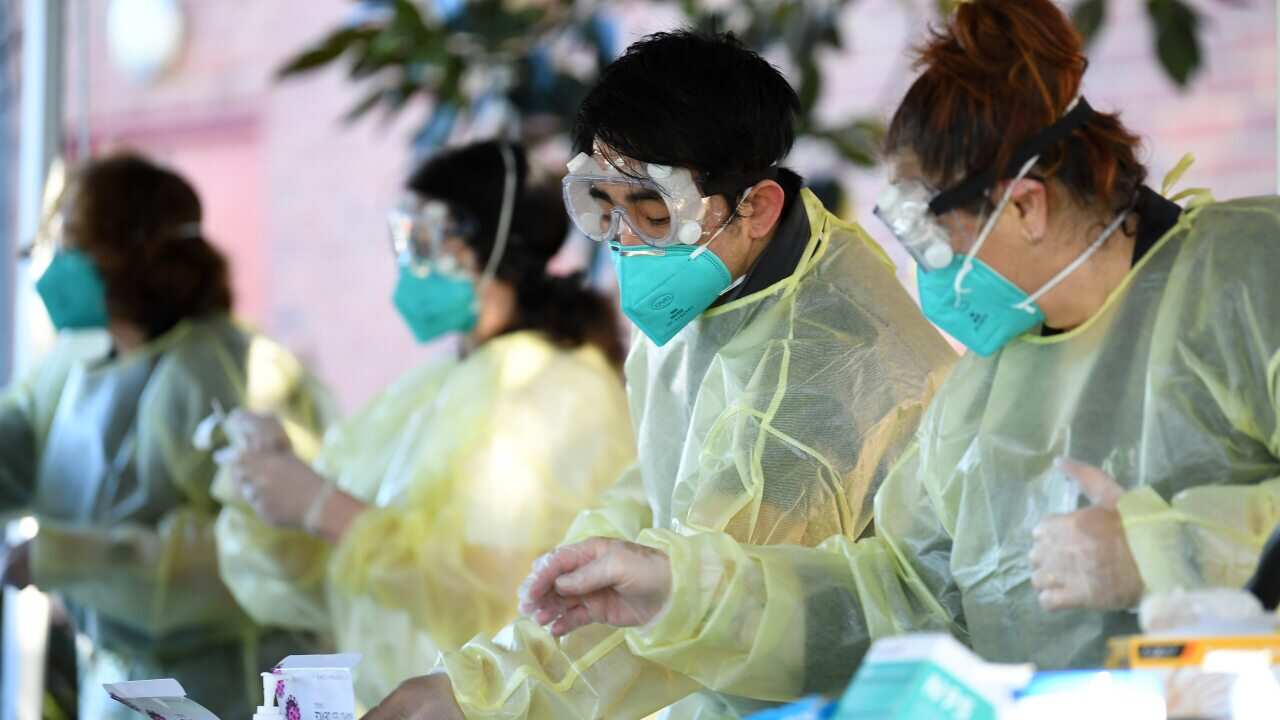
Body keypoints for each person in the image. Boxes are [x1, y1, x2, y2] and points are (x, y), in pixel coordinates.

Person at [515, 0, 1280, 699]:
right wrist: (684, 592)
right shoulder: (982, 395)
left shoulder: (1248, 279)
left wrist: (1168, 552)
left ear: (1026, 206)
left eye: (930, 236)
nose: (922, 270)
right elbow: (897, 598)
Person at [365, 32, 955, 720]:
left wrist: (484, 694)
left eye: (653, 215)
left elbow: (705, 607)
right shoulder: (727, 283)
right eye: (608, 211)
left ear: (758, 207)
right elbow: (661, 486)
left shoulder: (825, 368)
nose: (628, 246)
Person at [214, 140, 637, 708]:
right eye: (402, 241)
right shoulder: (434, 388)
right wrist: (270, 489)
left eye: (427, 242)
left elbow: (506, 592)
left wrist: (326, 508)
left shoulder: (556, 391)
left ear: (491, 250)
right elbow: (326, 586)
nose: (409, 266)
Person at [0, 153, 329, 720]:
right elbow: (16, 451)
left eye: (69, 239)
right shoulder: (77, 365)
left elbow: (249, 555)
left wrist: (70, 557)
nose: (48, 260)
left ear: (126, 255)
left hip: (216, 692)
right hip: (123, 685)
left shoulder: (212, 372)